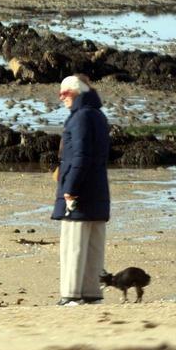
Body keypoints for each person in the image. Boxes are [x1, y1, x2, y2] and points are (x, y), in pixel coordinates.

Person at [52, 74, 111, 306]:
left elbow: (80, 156)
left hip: (81, 192)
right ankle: (92, 293)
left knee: (73, 244)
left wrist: (70, 188)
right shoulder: (98, 115)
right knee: (94, 245)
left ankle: (71, 294)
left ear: (76, 93)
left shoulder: (80, 118)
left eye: (64, 93)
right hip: (98, 191)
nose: (61, 97)